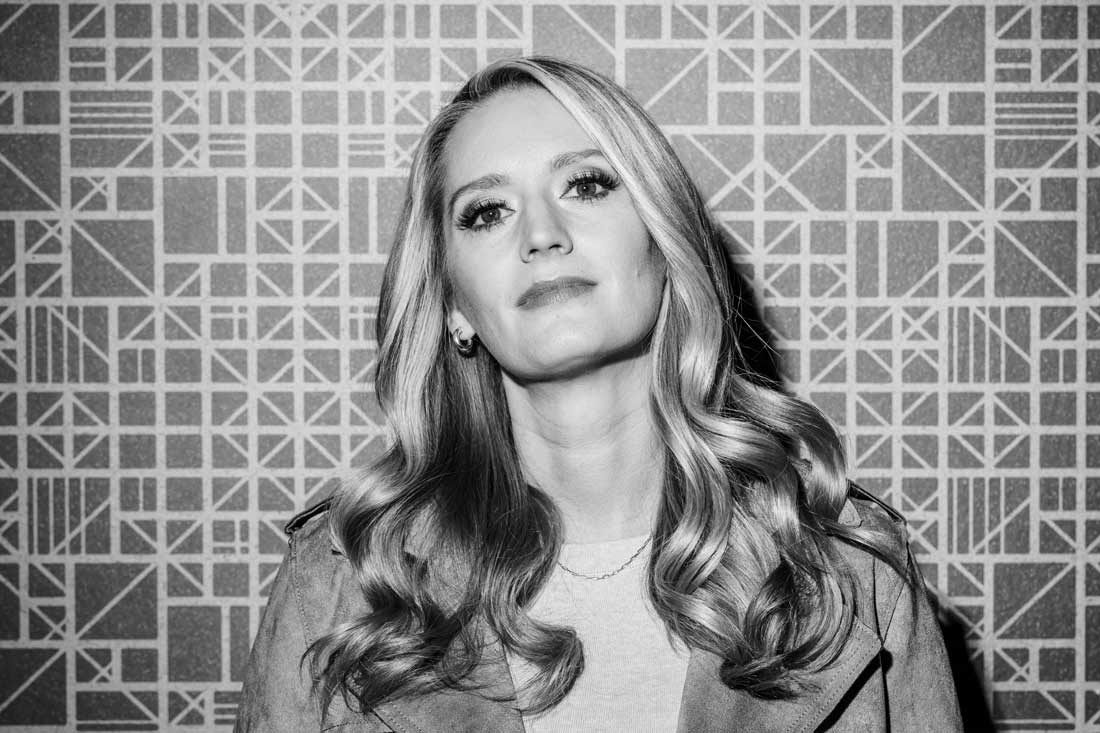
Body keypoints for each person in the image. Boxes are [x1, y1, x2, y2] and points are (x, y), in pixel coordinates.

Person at [235, 55, 962, 732]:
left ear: (664, 242)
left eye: (586, 185)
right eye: (487, 211)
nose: (542, 234)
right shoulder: (346, 580)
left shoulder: (848, 574)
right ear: (454, 304)